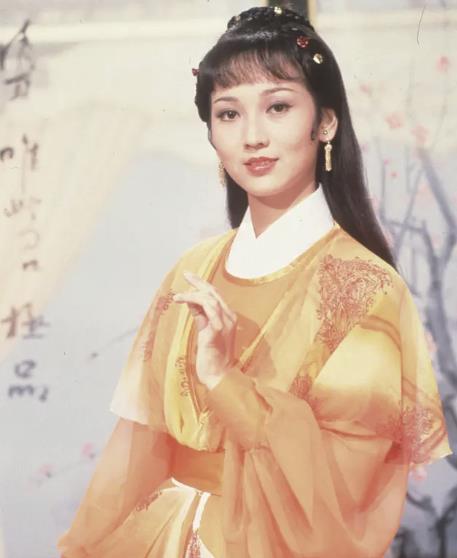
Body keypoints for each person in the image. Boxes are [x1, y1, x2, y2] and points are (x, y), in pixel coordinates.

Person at [57, 6, 453, 558]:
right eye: (228, 114)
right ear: (211, 133)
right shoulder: (193, 270)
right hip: (160, 536)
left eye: (278, 107)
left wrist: (224, 381)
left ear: (326, 122)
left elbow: (338, 491)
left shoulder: (365, 287)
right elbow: (137, 455)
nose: (253, 136)